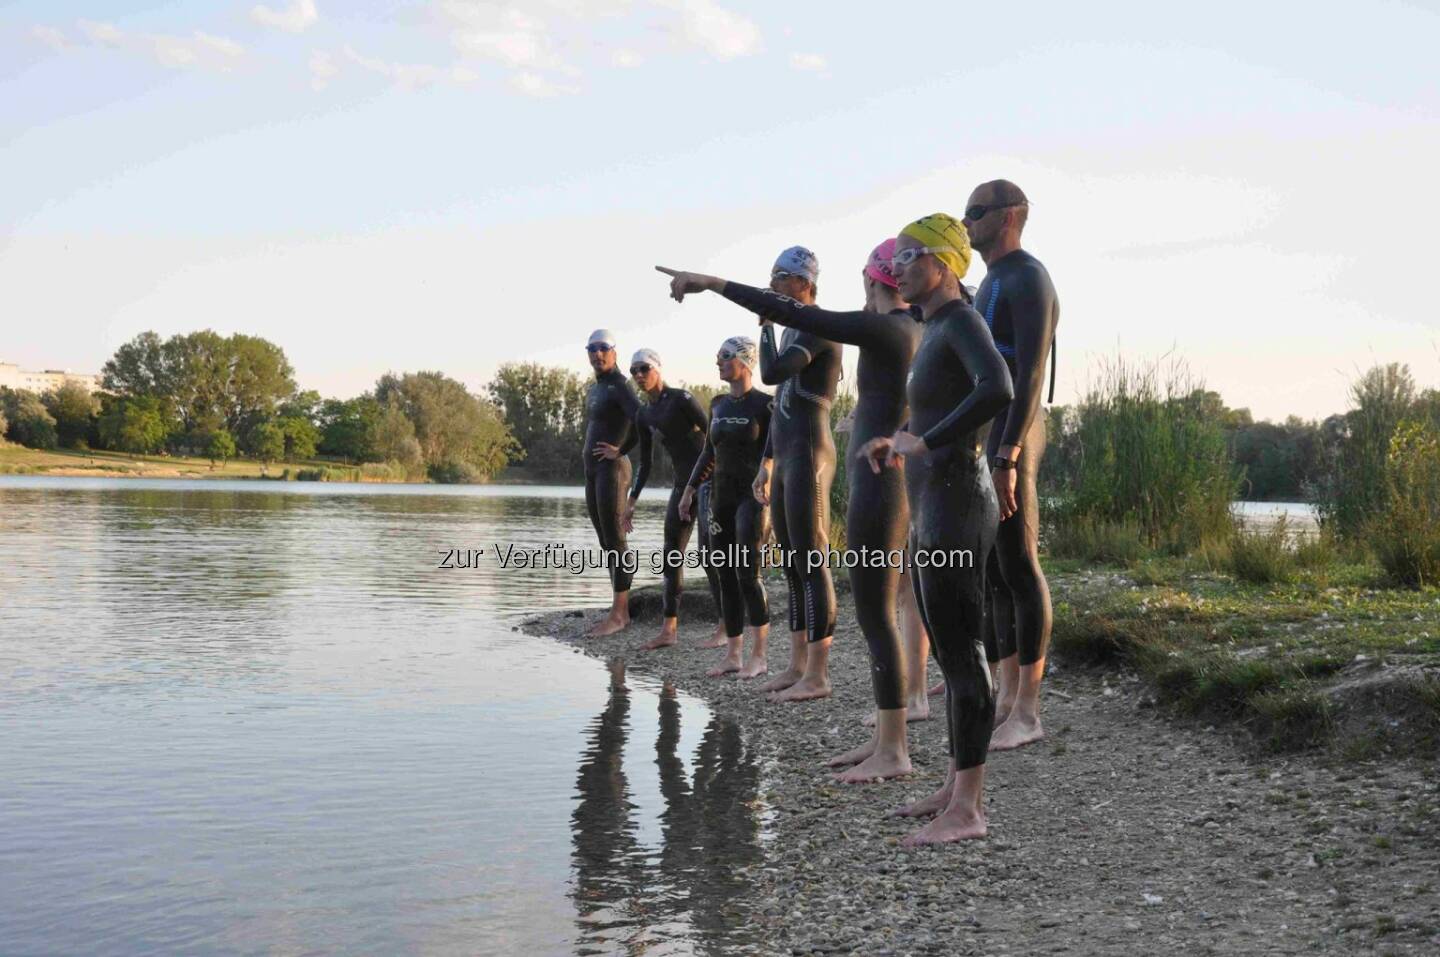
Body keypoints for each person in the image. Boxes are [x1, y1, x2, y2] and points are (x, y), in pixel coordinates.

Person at [659, 239, 919, 781]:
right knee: (795, 562)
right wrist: (766, 463)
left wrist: (765, 324)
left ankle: (818, 672)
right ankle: (798, 663)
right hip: (790, 449)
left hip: (814, 450)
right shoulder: (803, 323)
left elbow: (775, 373)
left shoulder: (818, 326)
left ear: (805, 283)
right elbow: (779, 394)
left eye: (782, 277)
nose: (775, 283)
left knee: (813, 559)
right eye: (772, 276)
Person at [859, 214, 1013, 843]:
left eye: (909, 254)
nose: (895, 265)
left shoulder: (961, 322)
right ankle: (955, 784)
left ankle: (969, 810)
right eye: (893, 256)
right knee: (950, 652)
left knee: (960, 655)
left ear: (944, 265)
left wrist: (928, 438)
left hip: (958, 504)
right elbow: (935, 413)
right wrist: (898, 440)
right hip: (934, 503)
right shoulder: (937, 328)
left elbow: (998, 387)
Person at [962, 180, 1060, 751]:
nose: (967, 222)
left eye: (976, 212)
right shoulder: (989, 283)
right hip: (990, 433)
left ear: (1011, 217)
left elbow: (1028, 375)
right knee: (994, 569)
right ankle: (1004, 697)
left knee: (1020, 562)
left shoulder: (1028, 276)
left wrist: (1008, 454)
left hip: (1016, 431)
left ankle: (1029, 709)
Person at [679, 337, 772, 678]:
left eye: (724, 356)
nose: (717, 361)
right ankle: (734, 654)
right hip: (720, 498)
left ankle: (759, 656)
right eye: (717, 355)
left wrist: (771, 477)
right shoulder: (717, 405)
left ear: (745, 361)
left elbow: (774, 451)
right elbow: (708, 453)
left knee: (748, 574)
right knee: (725, 573)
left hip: (752, 499)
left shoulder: (766, 405)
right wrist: (689, 490)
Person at [621, 349, 712, 651]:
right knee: (671, 554)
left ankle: (728, 627)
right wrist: (632, 500)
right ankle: (669, 629)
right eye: (633, 370)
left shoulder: (681, 399)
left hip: (709, 481)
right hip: (679, 485)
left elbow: (714, 439)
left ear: (657, 369)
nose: (638, 375)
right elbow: (645, 463)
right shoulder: (643, 414)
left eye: (643, 368)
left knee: (712, 556)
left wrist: (709, 480)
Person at [583, 329, 641, 636]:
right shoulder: (597, 388)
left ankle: (620, 615)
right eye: (592, 349)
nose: (597, 354)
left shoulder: (620, 385)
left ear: (614, 352)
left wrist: (621, 450)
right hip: (593, 472)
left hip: (613, 471)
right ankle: (619, 608)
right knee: (607, 542)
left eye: (603, 348)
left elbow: (641, 420)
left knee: (617, 541)